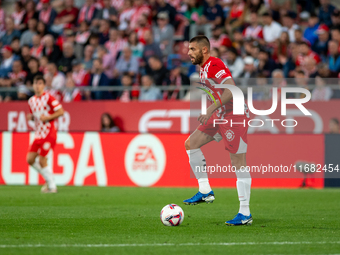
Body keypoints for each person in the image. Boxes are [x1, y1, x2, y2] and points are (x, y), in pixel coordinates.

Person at [185, 35, 252, 226]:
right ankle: (205, 191)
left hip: (234, 115)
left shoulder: (214, 64)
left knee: (238, 161)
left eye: (192, 49)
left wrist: (210, 109)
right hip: (220, 114)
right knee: (191, 143)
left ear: (204, 50)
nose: (188, 53)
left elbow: (231, 89)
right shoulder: (203, 68)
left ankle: (245, 213)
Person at [26, 75, 64, 193]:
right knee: (30, 159)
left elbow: (61, 111)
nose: (37, 86)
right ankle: (49, 179)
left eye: (40, 83)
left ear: (44, 85)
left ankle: (52, 186)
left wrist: (48, 117)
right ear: (33, 85)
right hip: (38, 134)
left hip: (49, 133)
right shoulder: (31, 101)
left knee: (43, 160)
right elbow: (36, 116)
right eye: (35, 83)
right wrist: (31, 117)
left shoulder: (49, 98)